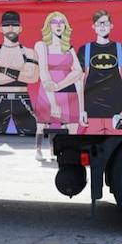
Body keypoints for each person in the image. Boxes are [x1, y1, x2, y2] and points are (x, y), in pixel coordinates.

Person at [77, 9, 122, 134]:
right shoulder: (85, 50)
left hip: (117, 113)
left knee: (114, 148)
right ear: (93, 27)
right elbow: (79, 82)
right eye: (99, 23)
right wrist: (81, 110)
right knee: (93, 148)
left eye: (105, 23)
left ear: (111, 26)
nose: (103, 26)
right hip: (92, 111)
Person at [34, 11, 84, 156]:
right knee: (42, 123)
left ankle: (68, 151)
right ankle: (38, 149)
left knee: (72, 124)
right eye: (55, 22)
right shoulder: (41, 45)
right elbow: (43, 72)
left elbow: (78, 71)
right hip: (47, 89)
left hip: (67, 88)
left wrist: (59, 85)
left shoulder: (69, 47)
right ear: (48, 26)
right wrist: (54, 100)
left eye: (61, 22)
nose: (58, 25)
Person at [0, 10, 40, 136]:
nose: (10, 28)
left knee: (29, 137)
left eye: (14, 25)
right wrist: (21, 71)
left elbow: (33, 78)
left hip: (22, 98)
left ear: (20, 28)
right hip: (0, 98)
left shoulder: (30, 53)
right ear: (0, 29)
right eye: (6, 25)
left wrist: (3, 70)